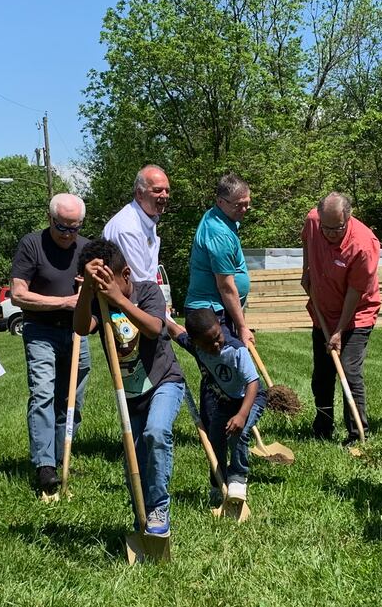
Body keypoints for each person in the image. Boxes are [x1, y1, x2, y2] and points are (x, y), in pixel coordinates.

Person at [73, 236, 185, 537]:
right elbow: (82, 328)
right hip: (130, 394)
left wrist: (119, 300)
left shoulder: (147, 291)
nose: (103, 291)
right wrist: (88, 291)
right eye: (95, 283)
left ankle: (159, 506)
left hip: (164, 381)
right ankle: (142, 517)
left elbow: (154, 328)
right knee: (134, 459)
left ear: (124, 275)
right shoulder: (98, 302)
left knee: (156, 433)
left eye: (106, 282)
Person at [10, 193, 91, 498]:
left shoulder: (86, 248)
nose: (69, 234)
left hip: (76, 333)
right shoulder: (32, 244)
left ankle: (60, 457)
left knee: (72, 401)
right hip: (40, 330)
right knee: (43, 393)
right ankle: (44, 466)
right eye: (62, 227)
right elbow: (18, 294)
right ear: (50, 219)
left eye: (75, 227)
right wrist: (64, 302)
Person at [301, 191, 381, 442]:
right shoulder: (314, 221)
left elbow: (355, 293)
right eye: (326, 228)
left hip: (356, 313)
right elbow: (307, 240)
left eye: (337, 229)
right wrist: (307, 270)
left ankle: (357, 434)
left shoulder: (363, 244)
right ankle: (323, 427)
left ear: (349, 216)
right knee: (322, 374)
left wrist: (338, 331)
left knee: (348, 370)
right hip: (323, 309)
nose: (330, 234)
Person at [176, 307, 263, 505]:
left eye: (217, 336)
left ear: (220, 326)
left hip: (252, 397)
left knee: (238, 433)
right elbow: (177, 332)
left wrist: (241, 415)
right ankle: (217, 483)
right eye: (208, 343)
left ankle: (238, 479)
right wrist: (162, 320)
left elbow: (253, 383)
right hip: (226, 400)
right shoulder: (196, 347)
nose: (215, 344)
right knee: (215, 439)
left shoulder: (236, 349)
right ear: (195, 342)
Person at [184, 172, 255, 346]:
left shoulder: (222, 216)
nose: (244, 209)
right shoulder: (219, 233)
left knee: (229, 368)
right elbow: (226, 286)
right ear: (220, 201)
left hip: (220, 308)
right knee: (233, 368)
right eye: (239, 205)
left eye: (247, 204)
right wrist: (243, 327)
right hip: (211, 314)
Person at [102, 165, 171, 287]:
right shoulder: (128, 228)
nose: (164, 195)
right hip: (127, 302)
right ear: (140, 194)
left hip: (143, 298)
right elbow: (139, 283)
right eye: (157, 190)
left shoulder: (147, 219)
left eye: (167, 190)